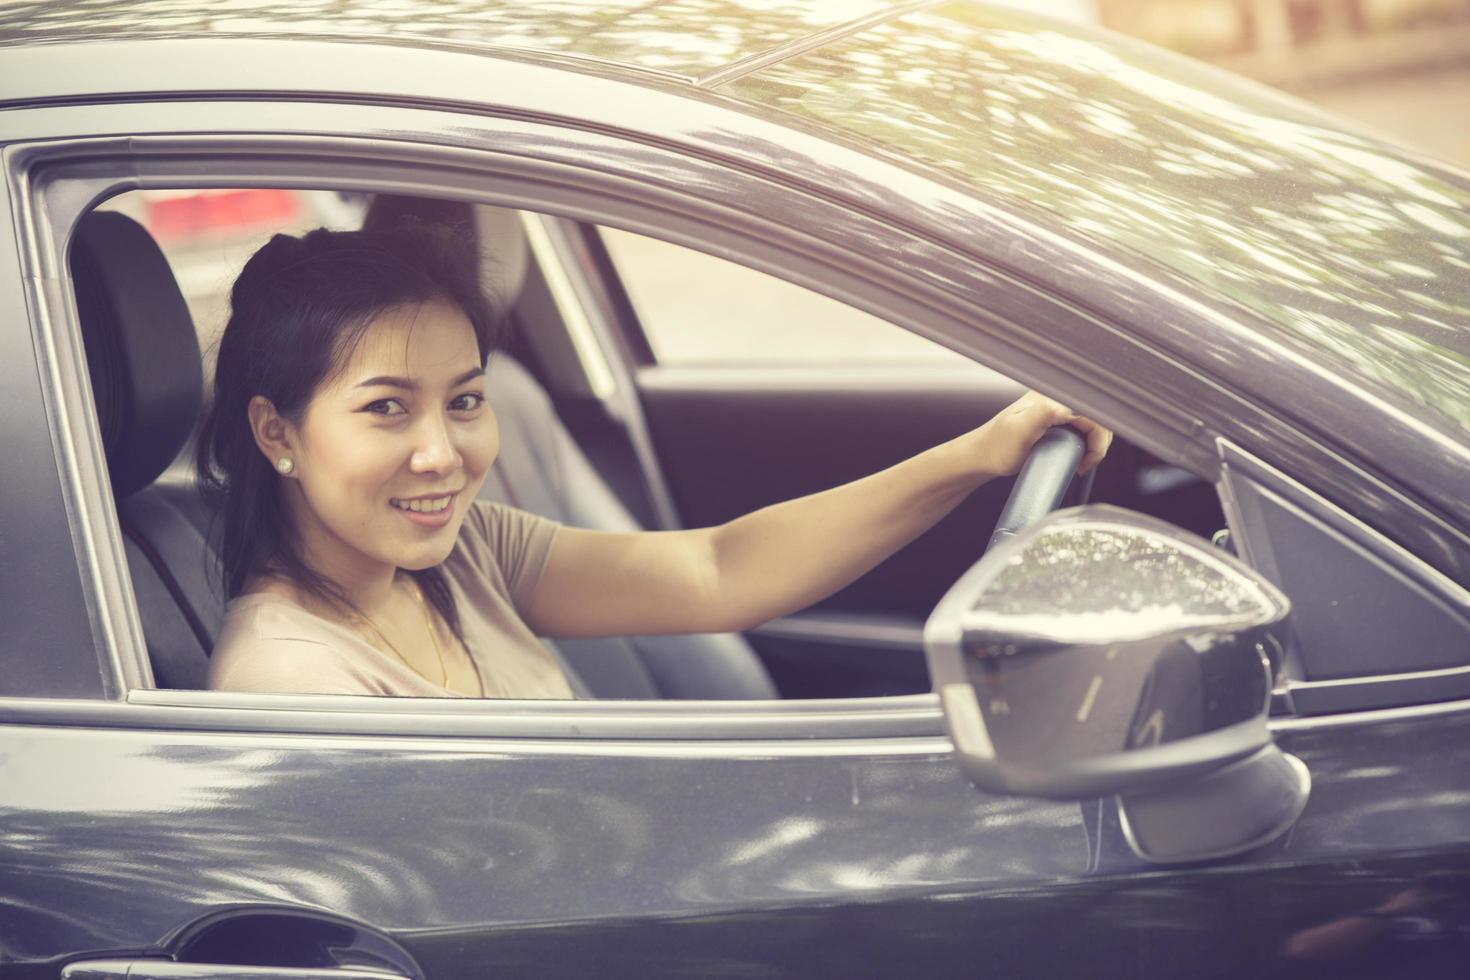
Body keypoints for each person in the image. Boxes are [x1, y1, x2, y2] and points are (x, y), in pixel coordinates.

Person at [201, 221, 1111, 699]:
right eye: (387, 410)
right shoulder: (295, 683)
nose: (441, 454)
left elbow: (720, 571)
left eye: (465, 401)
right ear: (277, 432)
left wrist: (979, 454)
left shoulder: (462, 557)